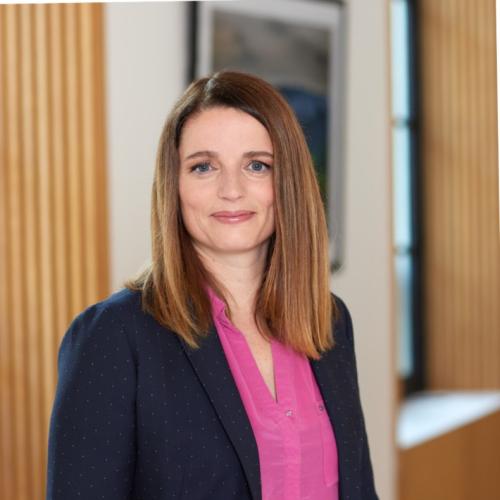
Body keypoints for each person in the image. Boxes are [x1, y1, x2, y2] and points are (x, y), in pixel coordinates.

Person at [46, 70, 378, 500]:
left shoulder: (329, 321)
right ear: (174, 185)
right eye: (203, 167)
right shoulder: (113, 337)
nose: (231, 190)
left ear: (288, 183)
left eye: (257, 165)